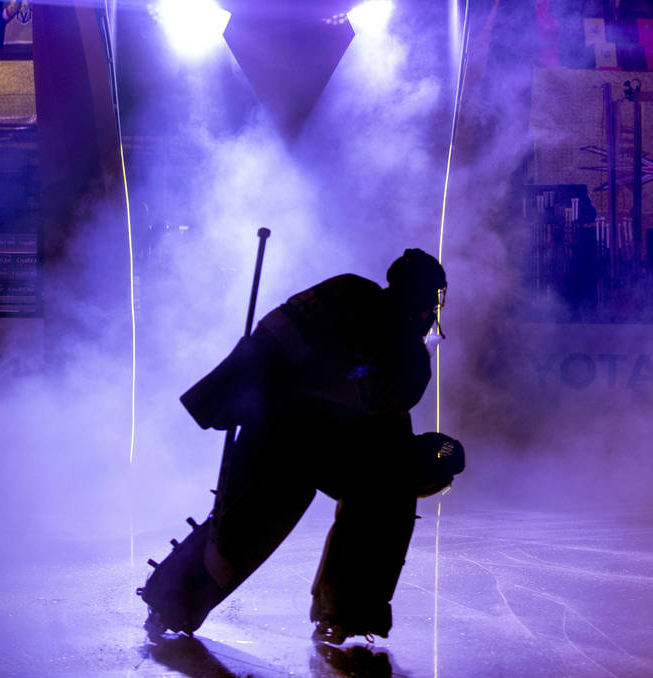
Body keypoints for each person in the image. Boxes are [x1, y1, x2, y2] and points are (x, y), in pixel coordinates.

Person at [139, 249, 465, 645]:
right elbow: (277, 336)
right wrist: (237, 387)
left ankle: (173, 603)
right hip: (286, 436)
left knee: (256, 519)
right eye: (433, 298)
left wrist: (237, 388)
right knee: (253, 523)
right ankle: (344, 611)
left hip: (291, 435)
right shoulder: (392, 339)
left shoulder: (355, 299)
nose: (433, 310)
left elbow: (278, 337)